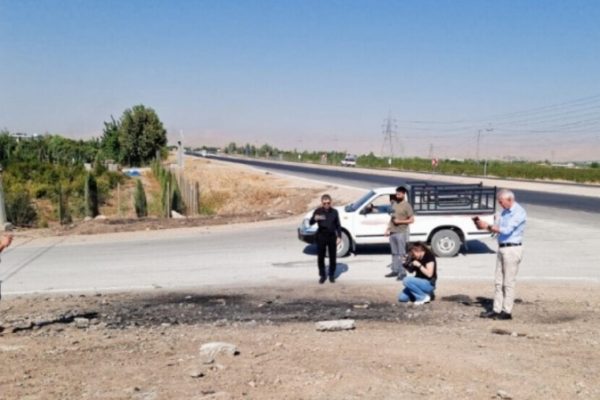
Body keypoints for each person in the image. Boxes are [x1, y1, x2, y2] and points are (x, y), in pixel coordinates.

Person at [474, 189, 527, 320]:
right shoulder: (504, 212)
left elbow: (507, 230)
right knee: (498, 281)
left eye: (502, 202)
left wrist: (489, 226)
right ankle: (496, 309)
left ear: (510, 200)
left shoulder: (519, 212)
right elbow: (497, 229)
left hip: (512, 249)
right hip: (502, 247)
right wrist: (484, 226)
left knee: (508, 282)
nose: (500, 205)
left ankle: (507, 311)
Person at [310, 194, 342, 284]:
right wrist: (315, 218)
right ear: (322, 203)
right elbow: (311, 222)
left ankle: (331, 274)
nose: (327, 205)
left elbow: (338, 225)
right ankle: (323, 275)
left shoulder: (334, 212)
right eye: (325, 203)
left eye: (328, 203)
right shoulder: (318, 211)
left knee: (333, 257)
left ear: (331, 202)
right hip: (321, 236)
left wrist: (339, 236)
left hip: (332, 236)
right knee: (321, 257)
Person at [384, 186, 414, 280]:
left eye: (399, 194)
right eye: (396, 193)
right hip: (393, 232)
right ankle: (395, 270)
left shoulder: (407, 205)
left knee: (401, 253)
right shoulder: (395, 204)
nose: (397, 195)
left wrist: (400, 222)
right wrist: (388, 229)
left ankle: (402, 272)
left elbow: (412, 220)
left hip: (401, 232)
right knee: (394, 253)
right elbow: (392, 218)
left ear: (403, 194)